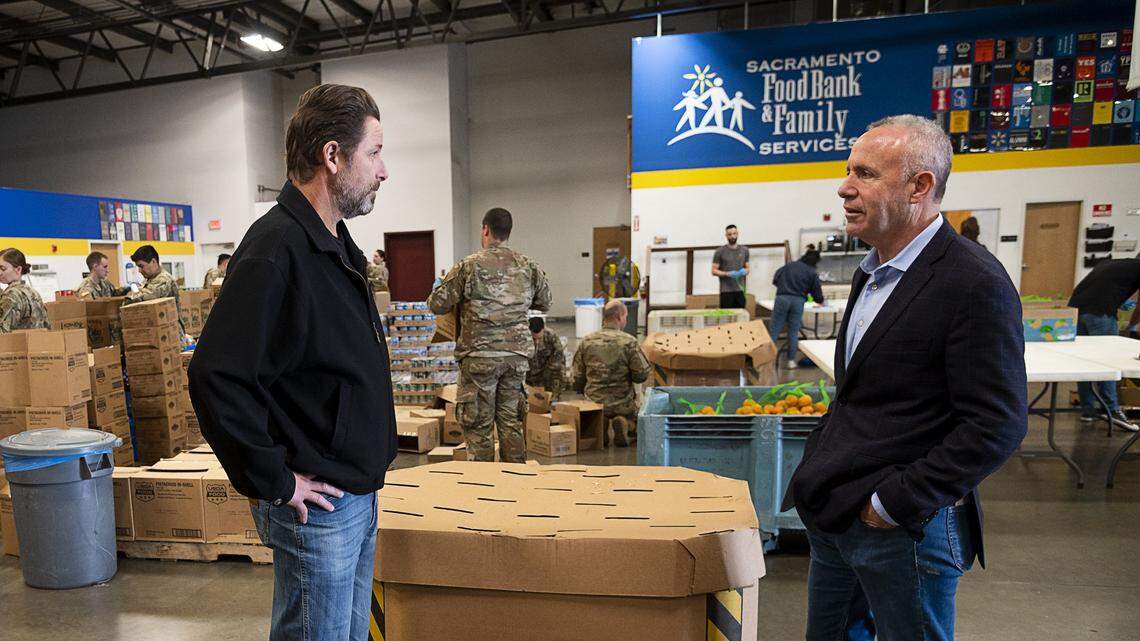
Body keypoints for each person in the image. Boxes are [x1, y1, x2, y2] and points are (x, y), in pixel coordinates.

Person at [783, 115, 1027, 641]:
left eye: (866, 174)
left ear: (921, 186)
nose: (845, 187)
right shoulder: (873, 273)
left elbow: (997, 424)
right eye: (849, 171)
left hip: (903, 530)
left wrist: (891, 504)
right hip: (836, 513)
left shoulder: (973, 282)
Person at [188, 84, 395, 641]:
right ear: (332, 156)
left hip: (357, 493)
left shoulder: (334, 243)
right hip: (318, 507)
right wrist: (275, 480)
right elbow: (216, 374)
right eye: (374, 153)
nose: (383, 171)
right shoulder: (274, 249)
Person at [428, 208, 552, 463]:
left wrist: (444, 286)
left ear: (485, 229)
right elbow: (546, 301)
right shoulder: (528, 266)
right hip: (515, 358)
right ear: (508, 232)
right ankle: (516, 483)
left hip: (479, 358)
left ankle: (484, 486)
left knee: (478, 426)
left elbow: (437, 304)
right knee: (511, 422)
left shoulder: (468, 265)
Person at [1067, 256, 1140, 431]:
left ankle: (1088, 410)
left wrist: (1119, 303)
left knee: (1084, 363)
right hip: (1100, 314)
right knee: (1107, 363)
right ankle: (1112, 410)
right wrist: (1132, 325)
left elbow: (1103, 287)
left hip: (1077, 311)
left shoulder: (1113, 263)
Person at [571, 300, 651, 447]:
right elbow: (642, 375)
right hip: (622, 403)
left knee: (596, 413)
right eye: (625, 317)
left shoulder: (586, 342)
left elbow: (576, 378)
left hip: (594, 404)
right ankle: (626, 425)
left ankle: (599, 424)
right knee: (640, 426)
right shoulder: (629, 342)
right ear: (619, 317)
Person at [769, 251, 825, 370]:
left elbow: (775, 279)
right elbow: (817, 294)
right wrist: (820, 301)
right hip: (798, 301)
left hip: (782, 298)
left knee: (774, 330)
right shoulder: (811, 272)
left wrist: (784, 287)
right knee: (793, 332)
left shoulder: (788, 266)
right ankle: (791, 361)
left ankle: (767, 360)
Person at [0, 248, 49, 333]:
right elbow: (46, 326)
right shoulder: (33, 292)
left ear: (18, 269)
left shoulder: (12, 295)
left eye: (3, 269)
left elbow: (2, 332)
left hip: (18, 344)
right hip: (39, 343)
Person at [125, 245, 181, 309]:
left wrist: (130, 295)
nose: (139, 270)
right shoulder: (149, 279)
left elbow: (135, 300)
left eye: (141, 266)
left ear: (153, 262)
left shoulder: (164, 279)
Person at [526, 316, 566, 400]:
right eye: (533, 338)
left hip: (545, 371)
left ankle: (553, 400)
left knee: (557, 373)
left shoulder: (551, 336)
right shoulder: (522, 337)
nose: (536, 341)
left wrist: (555, 394)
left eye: (539, 338)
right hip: (527, 371)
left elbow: (558, 364)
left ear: (543, 329)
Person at [712, 224, 750, 309]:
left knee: (740, 315)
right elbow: (714, 270)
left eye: (734, 233)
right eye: (729, 234)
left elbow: (747, 268)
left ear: (737, 234)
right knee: (727, 316)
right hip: (726, 290)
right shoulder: (720, 251)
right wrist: (727, 273)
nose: (732, 236)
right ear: (726, 235)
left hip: (740, 289)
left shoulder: (744, 250)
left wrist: (744, 271)